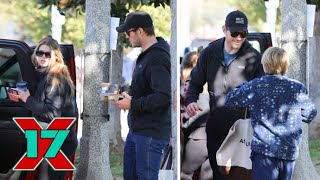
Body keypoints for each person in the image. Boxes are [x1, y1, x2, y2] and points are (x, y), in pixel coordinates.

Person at [185, 10, 264, 179]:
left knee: (240, 174)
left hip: (242, 128)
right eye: (234, 33)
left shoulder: (254, 57)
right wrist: (191, 101)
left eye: (243, 34)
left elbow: (262, 93)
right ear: (224, 29)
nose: (238, 38)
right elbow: (195, 82)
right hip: (216, 125)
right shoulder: (210, 52)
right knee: (218, 173)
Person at [224, 47, 317, 180]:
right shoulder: (297, 87)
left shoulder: (255, 86)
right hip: (288, 151)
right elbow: (310, 113)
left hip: (264, 151)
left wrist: (243, 87)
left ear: (265, 64)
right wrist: (294, 114)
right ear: (285, 65)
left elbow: (230, 100)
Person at [9, 35, 78, 180]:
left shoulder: (56, 78)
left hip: (58, 141)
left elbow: (52, 114)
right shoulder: (43, 74)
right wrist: (22, 99)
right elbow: (40, 104)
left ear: (55, 57)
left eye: (48, 54)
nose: (43, 57)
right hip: (48, 138)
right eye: (40, 53)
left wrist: (27, 99)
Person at [113, 11, 171, 180]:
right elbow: (145, 88)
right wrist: (123, 91)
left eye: (128, 32)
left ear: (140, 31)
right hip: (137, 130)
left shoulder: (157, 57)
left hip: (150, 132)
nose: (127, 37)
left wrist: (133, 104)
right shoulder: (147, 54)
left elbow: (163, 95)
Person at [180, 50, 213, 180]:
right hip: (215, 138)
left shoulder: (186, 90)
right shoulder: (211, 89)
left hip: (197, 139)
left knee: (184, 174)